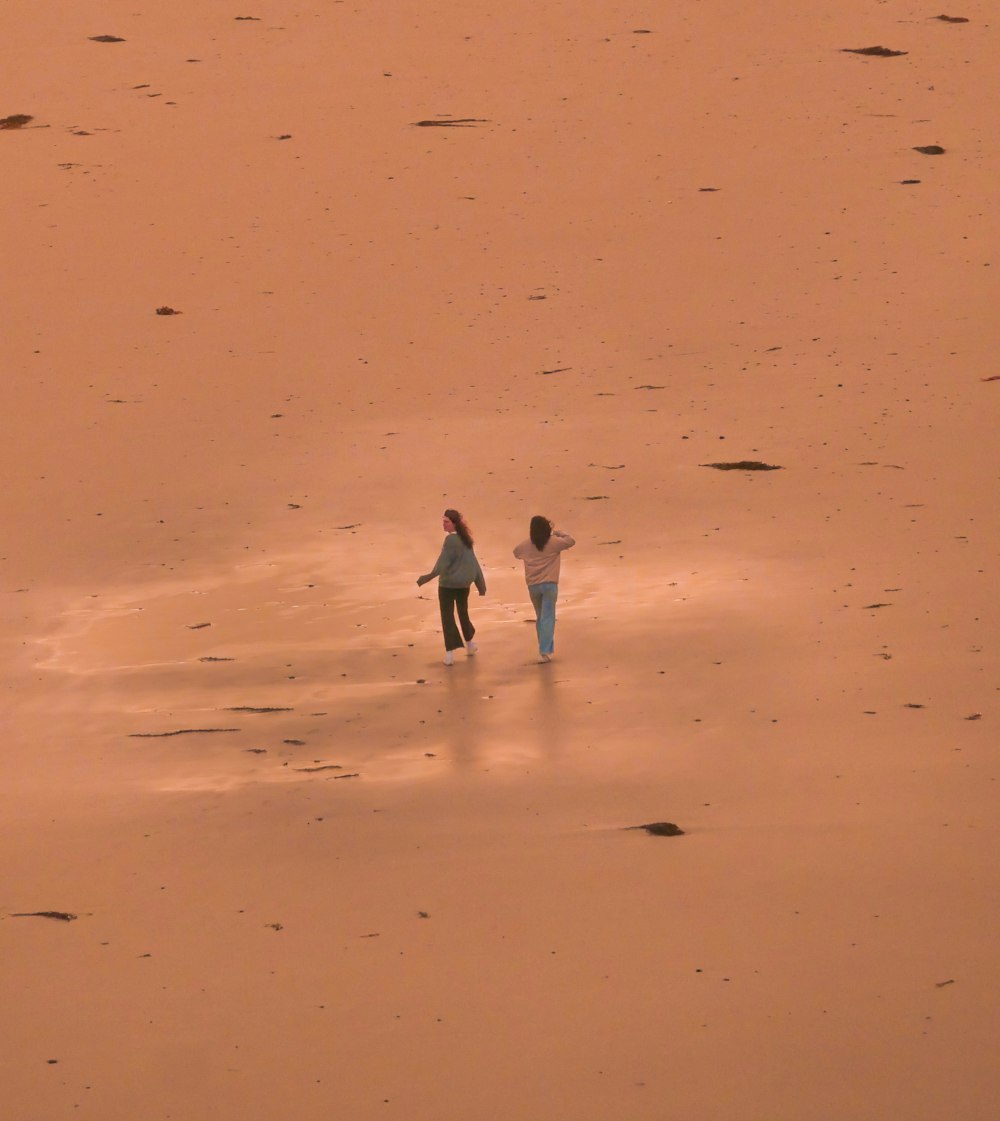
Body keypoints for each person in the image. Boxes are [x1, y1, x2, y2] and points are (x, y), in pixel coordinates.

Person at [416, 509, 486, 665]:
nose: (443, 524)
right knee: (463, 614)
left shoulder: (450, 541)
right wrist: (481, 585)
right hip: (463, 585)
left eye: (446, 521)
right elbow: (474, 563)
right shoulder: (466, 539)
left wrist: (426, 578)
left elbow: (442, 564)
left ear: (454, 523)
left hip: (447, 585)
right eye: (443, 521)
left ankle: (449, 655)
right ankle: (469, 646)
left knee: (447, 617)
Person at [513, 516, 575, 662]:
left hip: (533, 585)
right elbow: (571, 541)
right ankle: (544, 651)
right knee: (548, 617)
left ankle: (544, 649)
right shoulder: (553, 542)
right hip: (549, 584)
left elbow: (516, 552)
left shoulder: (526, 545)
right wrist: (558, 533)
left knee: (540, 617)